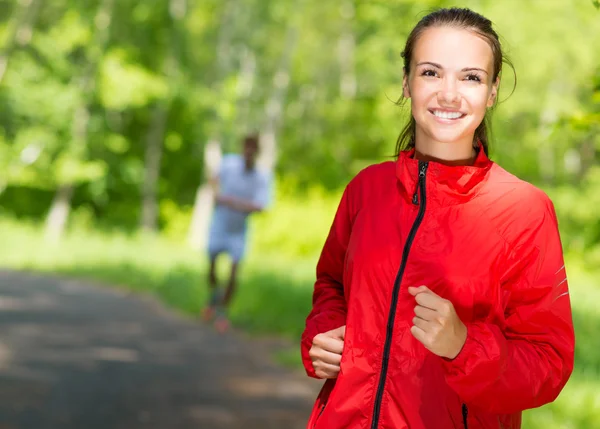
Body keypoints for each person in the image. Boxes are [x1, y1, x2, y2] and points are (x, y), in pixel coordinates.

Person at [301, 7, 574, 429]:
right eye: (431, 72)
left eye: (470, 77)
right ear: (407, 82)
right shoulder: (367, 190)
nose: (449, 94)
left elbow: (548, 364)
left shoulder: (525, 210)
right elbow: (332, 284)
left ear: (493, 90)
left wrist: (464, 346)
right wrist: (325, 333)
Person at [203, 134, 271, 332]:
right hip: (219, 225)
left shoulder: (261, 176)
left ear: (257, 152)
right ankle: (215, 296)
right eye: (246, 147)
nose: (249, 151)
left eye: (253, 148)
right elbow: (213, 181)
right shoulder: (228, 164)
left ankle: (222, 312)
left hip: (239, 231)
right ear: (242, 148)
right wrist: (216, 194)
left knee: (233, 272)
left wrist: (233, 202)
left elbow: (261, 206)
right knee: (212, 267)